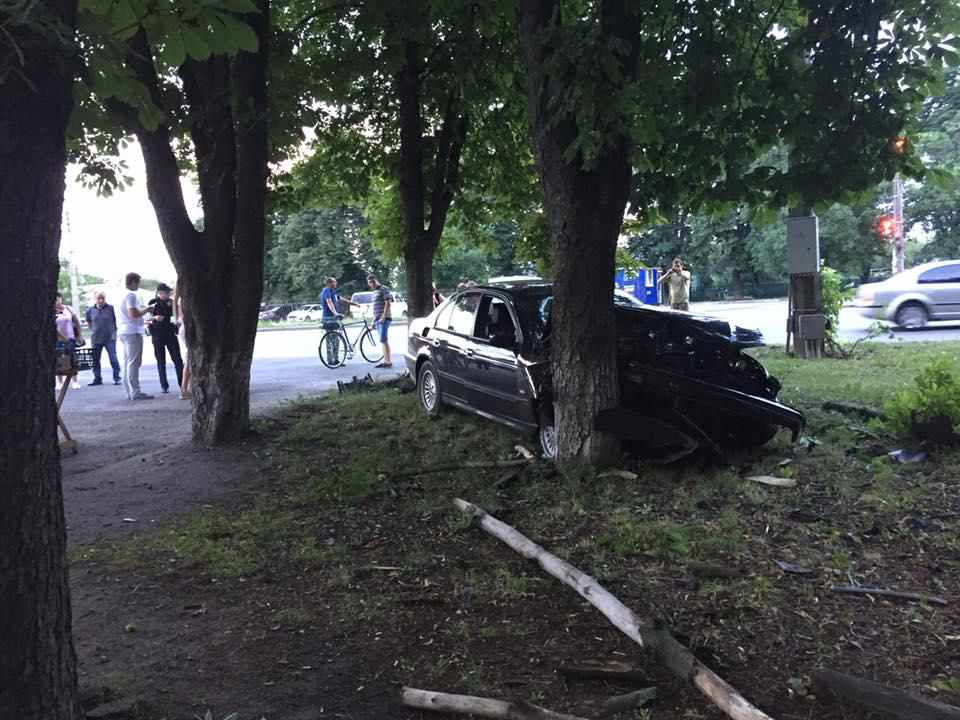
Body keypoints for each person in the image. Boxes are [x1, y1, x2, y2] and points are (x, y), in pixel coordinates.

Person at [118, 272, 153, 400]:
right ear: (132, 282)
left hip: (123, 330)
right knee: (134, 362)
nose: (138, 285)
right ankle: (135, 391)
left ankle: (128, 391)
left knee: (127, 361)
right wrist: (147, 309)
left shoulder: (120, 295)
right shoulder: (131, 295)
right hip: (132, 331)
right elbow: (133, 313)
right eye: (137, 282)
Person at [147, 283, 184, 394]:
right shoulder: (152, 303)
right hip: (157, 334)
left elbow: (177, 314)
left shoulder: (172, 303)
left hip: (170, 333)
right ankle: (164, 385)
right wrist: (155, 317)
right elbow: (146, 317)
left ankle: (182, 383)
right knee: (161, 361)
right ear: (160, 293)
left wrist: (178, 321)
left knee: (177, 359)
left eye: (169, 292)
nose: (168, 294)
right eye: (166, 292)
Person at [319, 277, 360, 365]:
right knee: (331, 339)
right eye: (334, 282)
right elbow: (329, 302)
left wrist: (354, 304)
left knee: (336, 339)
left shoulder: (333, 292)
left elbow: (341, 299)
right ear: (329, 283)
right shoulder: (326, 291)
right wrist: (335, 313)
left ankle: (337, 360)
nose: (336, 284)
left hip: (333, 318)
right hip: (328, 318)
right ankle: (331, 360)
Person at [85, 291, 121, 386]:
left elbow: (116, 321)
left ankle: (117, 377)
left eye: (102, 298)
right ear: (95, 299)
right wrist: (94, 330)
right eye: (98, 298)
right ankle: (97, 378)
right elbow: (89, 322)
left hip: (110, 338)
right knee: (95, 359)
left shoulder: (111, 308)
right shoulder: (90, 310)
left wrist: (114, 332)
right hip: (96, 338)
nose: (101, 300)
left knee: (113, 358)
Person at [367, 273, 392, 368]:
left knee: (383, 339)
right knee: (382, 340)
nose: (372, 283)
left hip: (385, 319)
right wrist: (373, 322)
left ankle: (388, 361)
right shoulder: (374, 292)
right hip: (377, 320)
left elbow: (388, 303)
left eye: (373, 281)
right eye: (370, 282)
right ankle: (386, 360)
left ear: (376, 280)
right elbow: (375, 309)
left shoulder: (384, 289)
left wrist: (383, 317)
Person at [174, 285, 191, 400]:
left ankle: (187, 388)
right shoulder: (186, 299)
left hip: (184, 327)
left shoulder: (179, 299)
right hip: (187, 327)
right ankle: (184, 389)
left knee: (190, 358)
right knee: (190, 358)